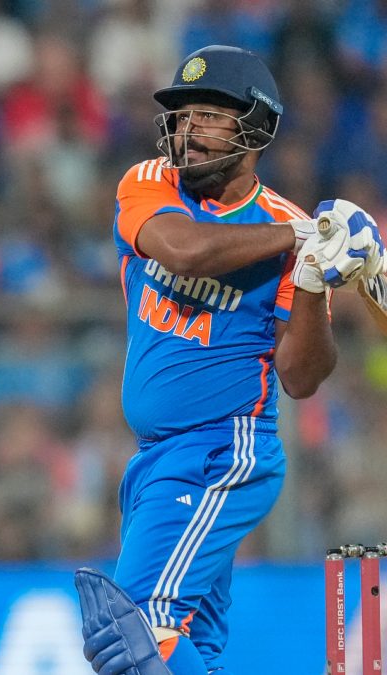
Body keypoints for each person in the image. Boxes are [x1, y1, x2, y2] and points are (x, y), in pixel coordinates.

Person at [76, 45, 384, 674]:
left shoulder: (286, 227)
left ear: (257, 128)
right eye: (182, 113)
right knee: (192, 649)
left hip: (224, 450)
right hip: (155, 456)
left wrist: (315, 281)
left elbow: (301, 376)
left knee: (130, 631)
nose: (188, 128)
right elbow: (182, 250)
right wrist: (302, 241)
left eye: (210, 114)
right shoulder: (148, 183)